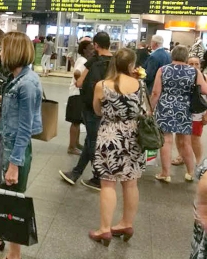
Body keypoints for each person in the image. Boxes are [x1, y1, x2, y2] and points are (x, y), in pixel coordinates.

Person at [0, 32, 42, 259]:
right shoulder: (20, 78)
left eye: (4, 49)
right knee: (4, 195)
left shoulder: (26, 83)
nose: (1, 53)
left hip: (15, 148)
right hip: (9, 144)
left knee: (13, 199)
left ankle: (14, 253)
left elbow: (25, 128)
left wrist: (15, 163)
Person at [88, 48, 145, 247]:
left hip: (110, 136)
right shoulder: (140, 84)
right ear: (131, 65)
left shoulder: (102, 85)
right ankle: (126, 224)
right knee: (131, 183)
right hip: (133, 137)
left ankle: (104, 229)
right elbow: (143, 109)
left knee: (108, 182)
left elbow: (96, 110)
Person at [60, 32, 113, 191]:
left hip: (91, 106)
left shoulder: (94, 61)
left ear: (96, 45)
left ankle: (98, 177)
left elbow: (80, 83)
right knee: (92, 139)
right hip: (109, 107)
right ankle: (76, 173)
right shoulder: (115, 62)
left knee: (92, 141)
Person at [151, 45, 207, 183]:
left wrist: (150, 109)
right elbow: (205, 90)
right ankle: (190, 172)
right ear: (186, 57)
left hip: (165, 108)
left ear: (172, 55)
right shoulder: (194, 71)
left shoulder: (163, 70)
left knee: (166, 140)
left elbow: (156, 92)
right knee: (186, 142)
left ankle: (166, 173)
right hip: (185, 109)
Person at [172, 56, 205, 167]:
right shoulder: (182, 78)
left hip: (198, 114)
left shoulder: (204, 78)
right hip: (182, 111)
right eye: (191, 64)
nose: (194, 66)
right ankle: (181, 156)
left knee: (195, 138)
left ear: (200, 65)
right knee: (180, 136)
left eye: (197, 64)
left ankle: (198, 161)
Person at [65, 40, 94, 155]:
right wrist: (79, 83)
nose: (92, 51)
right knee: (75, 121)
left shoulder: (82, 60)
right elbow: (77, 72)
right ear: (84, 50)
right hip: (77, 94)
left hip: (77, 94)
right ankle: (71, 147)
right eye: (91, 49)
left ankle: (76, 143)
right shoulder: (83, 60)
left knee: (77, 120)